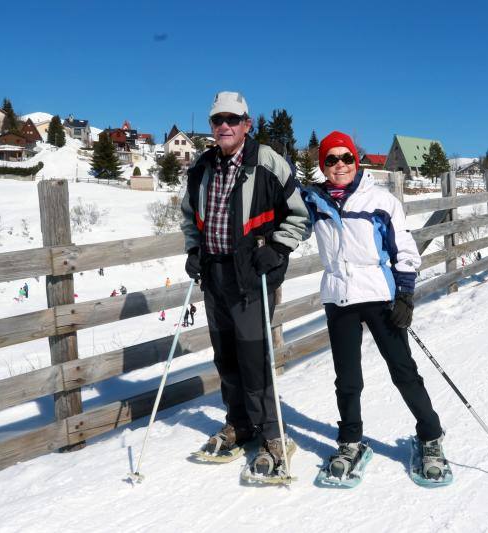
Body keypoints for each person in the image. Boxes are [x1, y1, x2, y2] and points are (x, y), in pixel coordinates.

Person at [300, 131, 448, 482]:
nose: (340, 165)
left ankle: (430, 435)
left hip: (380, 296)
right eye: (332, 159)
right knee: (347, 379)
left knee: (403, 370)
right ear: (323, 165)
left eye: (346, 158)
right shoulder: (314, 201)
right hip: (339, 297)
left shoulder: (380, 201)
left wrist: (405, 295)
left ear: (356, 160)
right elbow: (286, 220)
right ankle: (350, 440)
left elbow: (405, 251)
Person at [180, 91, 310, 475]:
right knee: (226, 357)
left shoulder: (268, 162)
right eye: (218, 120)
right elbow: (190, 217)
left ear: (247, 124)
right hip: (214, 275)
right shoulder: (202, 168)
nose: (225, 126)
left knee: (254, 357)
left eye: (232, 120)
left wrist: (277, 248)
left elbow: (300, 216)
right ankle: (239, 422)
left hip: (252, 275)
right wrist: (193, 249)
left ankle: (272, 431)